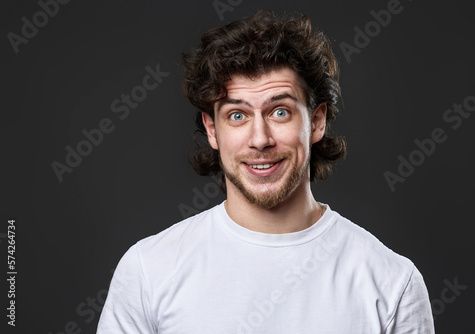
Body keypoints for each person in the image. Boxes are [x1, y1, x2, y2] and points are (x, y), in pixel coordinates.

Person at [97, 10, 434, 333]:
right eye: (237, 116)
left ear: (316, 122)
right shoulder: (148, 270)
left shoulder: (392, 283)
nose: (260, 139)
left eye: (280, 112)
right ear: (212, 130)